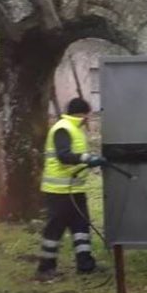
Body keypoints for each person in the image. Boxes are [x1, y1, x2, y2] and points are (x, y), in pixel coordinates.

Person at [35, 98, 106, 281]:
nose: (88, 119)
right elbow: (63, 156)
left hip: (75, 190)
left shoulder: (74, 130)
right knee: (54, 230)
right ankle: (45, 269)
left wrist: (88, 159)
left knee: (81, 227)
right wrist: (87, 159)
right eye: (88, 115)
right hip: (58, 191)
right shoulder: (63, 128)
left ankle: (85, 265)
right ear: (83, 114)